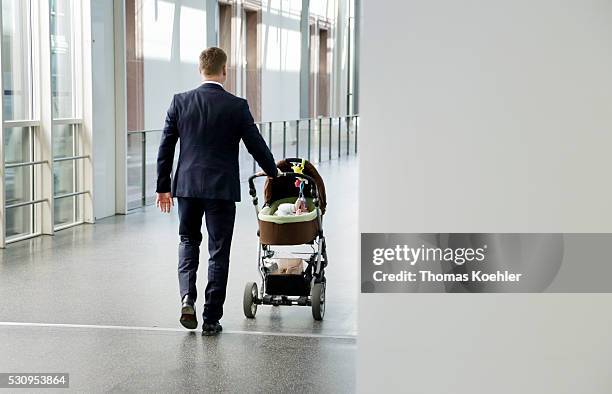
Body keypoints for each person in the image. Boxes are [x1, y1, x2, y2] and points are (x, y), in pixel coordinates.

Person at [155, 47, 278, 336]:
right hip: (221, 189)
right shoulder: (236, 105)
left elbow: (165, 147)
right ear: (225, 71)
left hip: (186, 187)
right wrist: (274, 173)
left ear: (201, 69)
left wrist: (163, 187)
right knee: (218, 252)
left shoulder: (180, 102)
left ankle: (187, 298)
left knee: (187, 241)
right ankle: (211, 318)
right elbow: (255, 144)